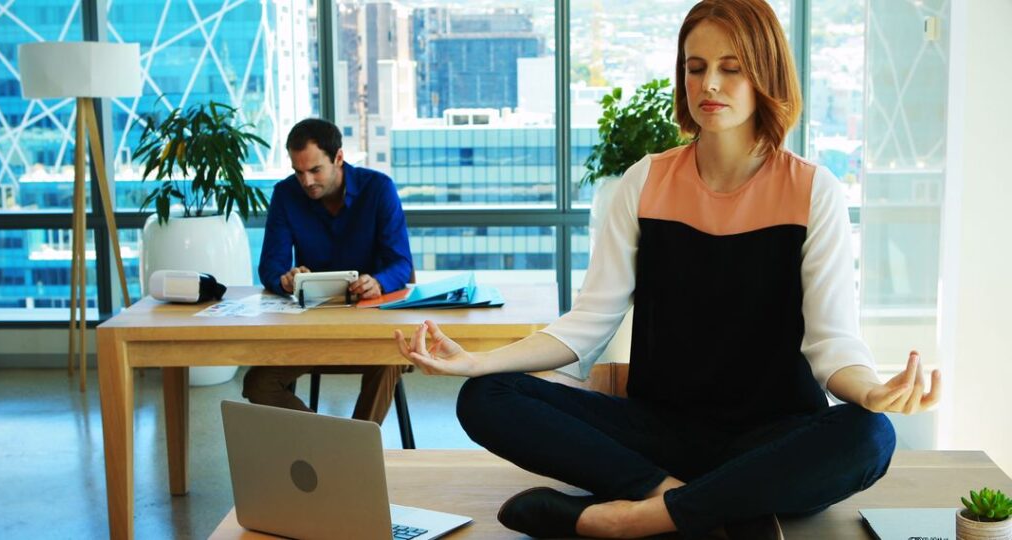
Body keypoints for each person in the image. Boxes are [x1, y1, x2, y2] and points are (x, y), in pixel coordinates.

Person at [393, 1, 942, 538]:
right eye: (695, 68)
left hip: (774, 437)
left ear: (765, 75)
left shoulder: (812, 189)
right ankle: (692, 500)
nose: (709, 85)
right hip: (660, 434)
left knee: (871, 435)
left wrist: (870, 391)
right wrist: (475, 362)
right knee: (486, 396)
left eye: (731, 69)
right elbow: (587, 324)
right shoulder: (645, 181)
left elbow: (834, 345)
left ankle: (637, 516)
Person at [243, 118, 413, 425]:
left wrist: (378, 282)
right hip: (311, 328)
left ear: (338, 158)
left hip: (372, 327)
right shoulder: (285, 194)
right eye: (298, 172)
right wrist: (285, 279)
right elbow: (270, 266)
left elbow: (401, 263)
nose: (306, 181)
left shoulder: (378, 189)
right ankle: (341, 445)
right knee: (257, 384)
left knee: (391, 357)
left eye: (315, 170)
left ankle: (350, 455)